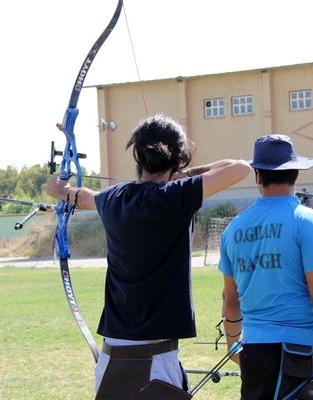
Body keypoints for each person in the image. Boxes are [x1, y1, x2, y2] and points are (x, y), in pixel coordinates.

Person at [47, 114, 252, 399]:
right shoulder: (175, 196)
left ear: (138, 155)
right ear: (177, 158)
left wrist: (60, 190)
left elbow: (79, 196)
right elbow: (240, 168)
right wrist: (183, 173)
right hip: (156, 361)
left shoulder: (111, 198)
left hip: (111, 359)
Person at [218, 134, 313, 400]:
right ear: (296, 173)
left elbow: (230, 299)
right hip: (300, 352)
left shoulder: (234, 228)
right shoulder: (306, 220)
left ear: (257, 175)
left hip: (253, 351)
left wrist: (232, 344)